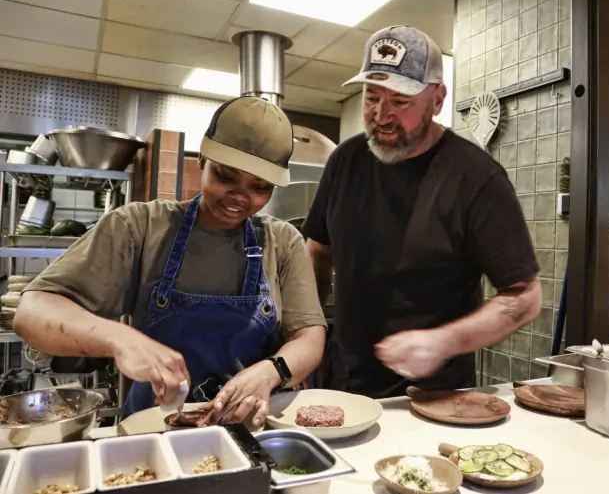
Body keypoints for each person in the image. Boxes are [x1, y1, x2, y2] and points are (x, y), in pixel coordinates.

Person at [14, 96, 326, 426]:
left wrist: (271, 370)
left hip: (249, 427)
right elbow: (31, 313)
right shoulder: (139, 226)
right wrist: (120, 339)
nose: (240, 196)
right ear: (202, 159)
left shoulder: (282, 242)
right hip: (155, 428)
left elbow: (310, 337)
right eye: (225, 176)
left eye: (259, 187)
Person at [303, 25, 543, 399]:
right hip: (342, 379)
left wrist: (444, 342)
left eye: (401, 102)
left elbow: (525, 297)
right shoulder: (345, 161)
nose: (381, 116)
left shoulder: (476, 177)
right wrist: (308, 334)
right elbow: (319, 252)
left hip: (433, 395)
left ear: (437, 99)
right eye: (371, 97)